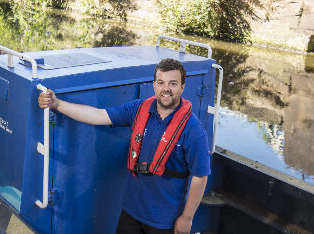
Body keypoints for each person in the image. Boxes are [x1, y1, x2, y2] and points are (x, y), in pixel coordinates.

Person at [38, 58, 211, 234]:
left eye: (173, 83)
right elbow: (98, 115)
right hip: (131, 211)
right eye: (161, 83)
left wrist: (187, 218)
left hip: (165, 221)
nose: (166, 89)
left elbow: (200, 176)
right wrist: (57, 104)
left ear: (182, 87)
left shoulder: (194, 131)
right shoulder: (138, 109)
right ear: (154, 85)